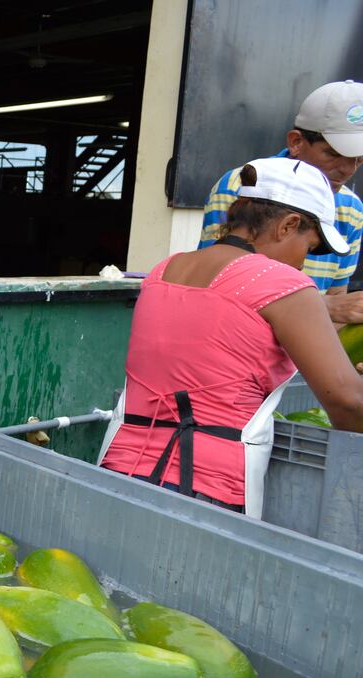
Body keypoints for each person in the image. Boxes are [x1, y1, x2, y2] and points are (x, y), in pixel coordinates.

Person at [102, 158, 363, 517]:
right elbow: (348, 404)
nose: (304, 262)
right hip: (205, 490)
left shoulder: (165, 270)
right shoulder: (282, 283)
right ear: (288, 226)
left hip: (117, 468)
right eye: (310, 245)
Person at [200, 80, 363, 324]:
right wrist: (320, 306)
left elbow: (338, 297)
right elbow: (210, 281)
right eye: (334, 154)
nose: (347, 169)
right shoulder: (240, 185)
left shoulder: (352, 209)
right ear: (296, 141)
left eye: (359, 159)